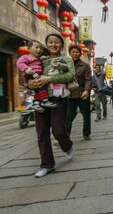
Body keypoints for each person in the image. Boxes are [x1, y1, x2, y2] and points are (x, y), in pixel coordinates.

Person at [28, 33, 74, 178]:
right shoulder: (41, 60)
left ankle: (67, 145)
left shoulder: (66, 60)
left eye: (56, 42)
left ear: (61, 45)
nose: (53, 45)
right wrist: (29, 84)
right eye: (50, 42)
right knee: (41, 132)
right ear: (47, 44)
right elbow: (30, 76)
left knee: (58, 130)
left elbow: (70, 76)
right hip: (40, 99)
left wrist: (49, 79)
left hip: (57, 99)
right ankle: (47, 164)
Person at [16, 40, 56, 112]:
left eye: (41, 48)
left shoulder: (39, 59)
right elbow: (19, 63)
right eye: (37, 47)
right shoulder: (26, 57)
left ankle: (36, 103)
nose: (39, 50)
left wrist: (45, 59)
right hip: (30, 75)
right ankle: (45, 100)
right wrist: (26, 69)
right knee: (40, 85)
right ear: (29, 48)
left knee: (37, 90)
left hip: (37, 75)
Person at [65, 45, 92, 140]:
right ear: (70, 53)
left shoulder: (85, 66)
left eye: (77, 52)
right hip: (70, 95)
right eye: (73, 52)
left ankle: (86, 134)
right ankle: (66, 136)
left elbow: (88, 79)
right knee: (68, 117)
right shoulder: (66, 65)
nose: (75, 54)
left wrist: (86, 90)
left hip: (82, 94)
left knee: (86, 115)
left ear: (80, 53)